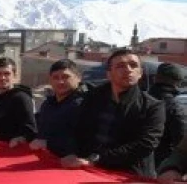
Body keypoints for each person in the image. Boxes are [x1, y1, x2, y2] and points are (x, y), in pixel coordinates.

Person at [67, 49, 165, 177]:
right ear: (109, 74)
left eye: (133, 65)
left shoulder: (152, 106)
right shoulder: (92, 98)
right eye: (120, 66)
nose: (128, 69)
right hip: (86, 169)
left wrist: (98, 160)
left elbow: (146, 144)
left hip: (129, 176)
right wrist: (71, 153)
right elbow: (77, 129)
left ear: (140, 73)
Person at [29, 59, 83, 157]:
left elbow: (84, 142)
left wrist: (49, 144)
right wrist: (23, 137)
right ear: (50, 80)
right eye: (55, 78)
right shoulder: (48, 104)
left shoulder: (84, 105)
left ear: (78, 78)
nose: (60, 82)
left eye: (65, 77)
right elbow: (38, 130)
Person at [0, 57, 37, 145]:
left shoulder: (22, 98)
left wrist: (0, 139)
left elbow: (30, 132)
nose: (2, 77)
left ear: (14, 76)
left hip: (12, 152)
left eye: (7, 74)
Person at [148, 63, 185, 167]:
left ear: (155, 78)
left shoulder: (139, 100)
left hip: (133, 164)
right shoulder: (174, 108)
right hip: (161, 167)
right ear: (177, 82)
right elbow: (181, 144)